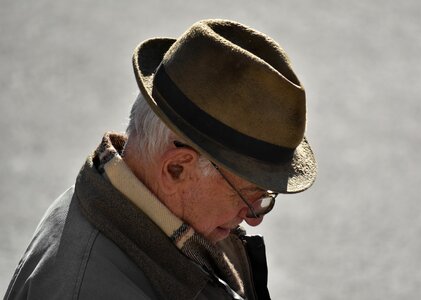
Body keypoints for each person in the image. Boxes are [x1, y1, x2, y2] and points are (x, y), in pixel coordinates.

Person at [4, 19, 317, 300]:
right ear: (176, 168)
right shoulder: (92, 289)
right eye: (251, 197)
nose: (254, 218)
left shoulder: (118, 193)